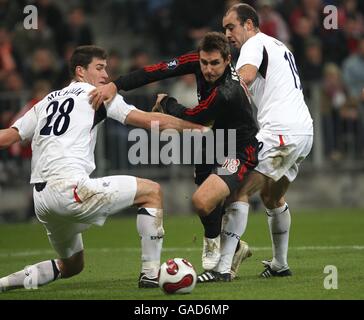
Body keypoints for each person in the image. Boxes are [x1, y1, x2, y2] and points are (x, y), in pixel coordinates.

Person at [0, 45, 206, 292]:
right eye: (99, 68)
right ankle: (150, 274)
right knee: (151, 192)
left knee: (72, 266)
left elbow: (7, 137)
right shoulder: (96, 94)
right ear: (80, 71)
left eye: (106, 69)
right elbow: (148, 121)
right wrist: (198, 128)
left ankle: (3, 284)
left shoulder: (45, 102)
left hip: (42, 200)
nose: (106, 75)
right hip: (69, 189)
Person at [89, 32, 259, 282]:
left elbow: (194, 116)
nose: (208, 69)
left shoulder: (228, 90)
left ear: (227, 60)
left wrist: (167, 102)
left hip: (239, 148)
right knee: (208, 204)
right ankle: (231, 250)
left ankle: (216, 257)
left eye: (215, 64)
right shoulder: (196, 61)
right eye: (204, 63)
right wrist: (117, 84)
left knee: (202, 201)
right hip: (212, 140)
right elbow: (156, 71)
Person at [221, 3, 313, 278]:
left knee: (236, 190)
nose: (226, 34)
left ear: (249, 24)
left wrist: (211, 108)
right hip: (303, 132)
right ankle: (280, 264)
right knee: (272, 196)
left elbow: (244, 80)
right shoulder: (280, 46)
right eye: (224, 28)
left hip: (280, 132)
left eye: (231, 27)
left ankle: (223, 267)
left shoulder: (253, 44)